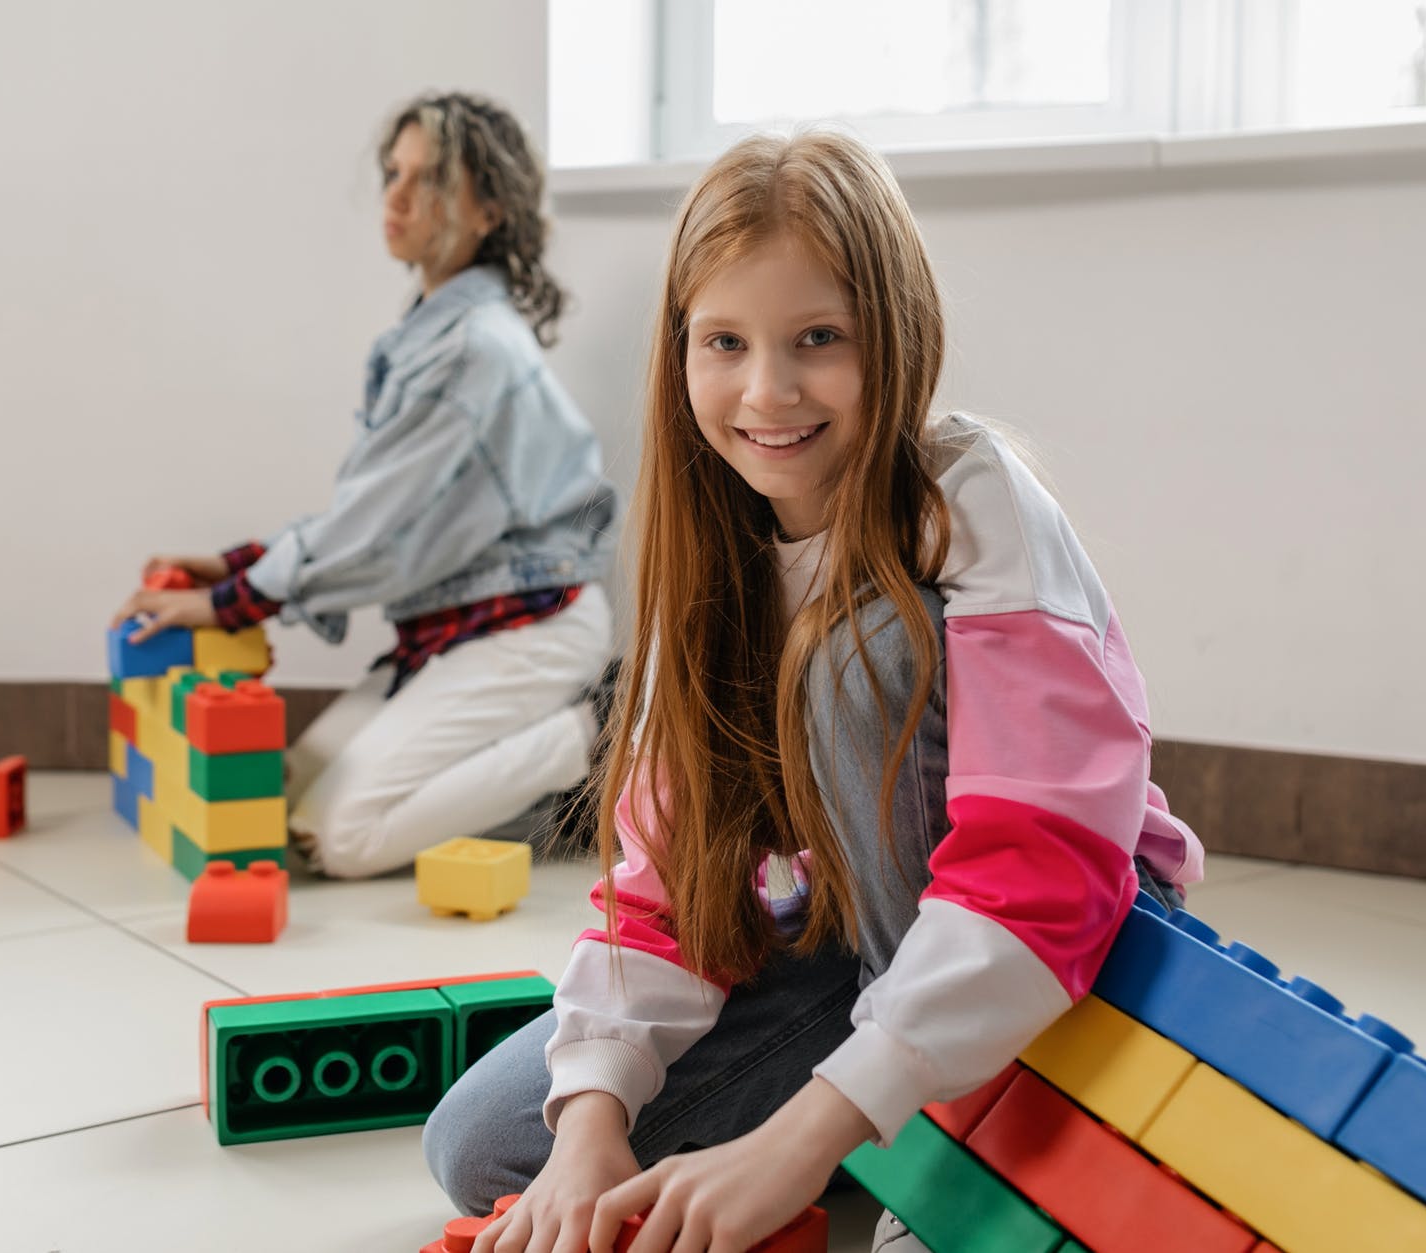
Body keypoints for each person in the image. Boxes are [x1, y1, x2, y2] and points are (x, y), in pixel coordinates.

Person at [422, 129, 1205, 1253]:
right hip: (847, 952)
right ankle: (880, 1094)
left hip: (1065, 934)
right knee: (493, 1147)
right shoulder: (716, 543)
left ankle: (947, 1122)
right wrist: (594, 1115)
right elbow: (665, 881)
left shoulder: (962, 493)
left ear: (894, 334)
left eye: (818, 339)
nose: (767, 390)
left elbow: (1043, 855)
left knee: (854, 655)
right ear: (679, 350)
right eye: (724, 341)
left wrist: (796, 1138)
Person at [111, 92, 617, 878]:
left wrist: (231, 599)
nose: (397, 195)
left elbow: (374, 529)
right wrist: (245, 561)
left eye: (429, 179)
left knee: (342, 837)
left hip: (532, 628)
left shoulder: (471, 350)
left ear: (489, 211)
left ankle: (599, 731)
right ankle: (550, 800)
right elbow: (384, 508)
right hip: (457, 626)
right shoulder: (431, 329)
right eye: (393, 172)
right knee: (286, 798)